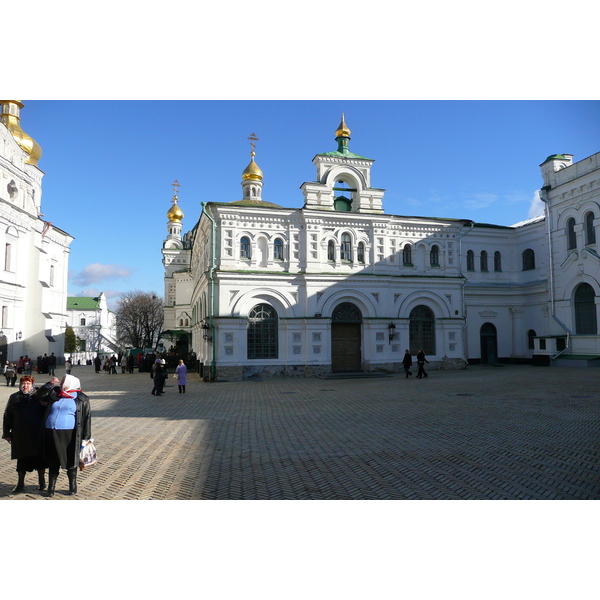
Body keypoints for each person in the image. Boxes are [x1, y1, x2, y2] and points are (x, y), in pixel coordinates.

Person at [39, 374, 91, 497]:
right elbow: (39, 395)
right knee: (53, 460)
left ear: (70, 382)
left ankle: (72, 486)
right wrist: (49, 385)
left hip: (70, 434)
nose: (61, 383)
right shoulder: (55, 393)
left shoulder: (81, 398)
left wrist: (86, 438)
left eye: (63, 381)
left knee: (71, 460)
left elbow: (87, 418)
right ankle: (51, 487)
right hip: (51, 432)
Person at [2, 375, 47, 493]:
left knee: (40, 459)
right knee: (22, 459)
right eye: (23, 383)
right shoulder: (14, 397)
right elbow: (7, 416)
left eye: (28, 383)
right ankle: (20, 483)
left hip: (37, 434)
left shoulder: (39, 397)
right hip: (21, 435)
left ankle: (42, 481)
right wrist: (6, 432)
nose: (25, 386)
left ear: (32, 384)